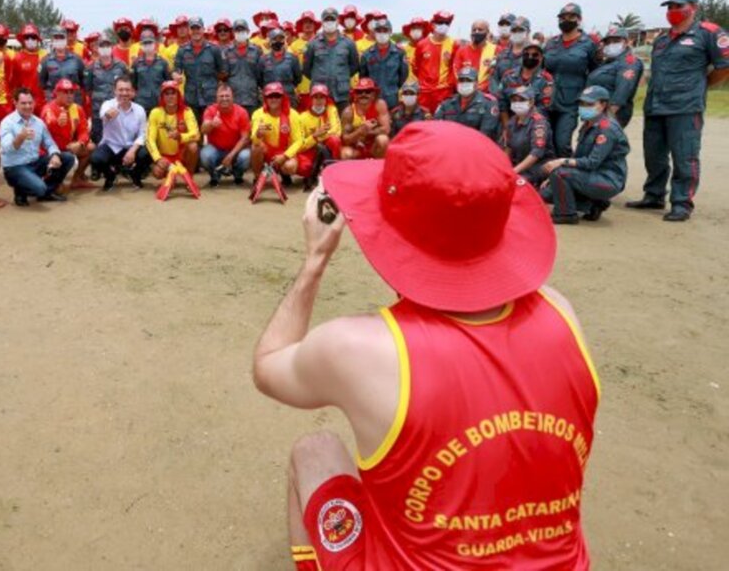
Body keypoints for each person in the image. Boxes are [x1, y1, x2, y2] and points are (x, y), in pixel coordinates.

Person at [254, 119, 598, 570]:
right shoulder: (561, 312)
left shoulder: (360, 348)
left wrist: (315, 261)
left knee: (315, 450)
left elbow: (269, 366)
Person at [627, 0, 729, 221]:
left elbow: (724, 67)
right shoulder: (662, 40)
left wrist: (702, 86)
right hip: (655, 105)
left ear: (693, 7)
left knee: (685, 156)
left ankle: (682, 202)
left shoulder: (708, 33)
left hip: (685, 107)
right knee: (654, 155)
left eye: (678, 6)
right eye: (670, 7)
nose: (673, 11)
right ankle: (653, 195)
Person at [541, 86, 629, 224]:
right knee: (546, 193)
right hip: (590, 175)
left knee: (561, 174)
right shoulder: (588, 124)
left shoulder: (607, 129)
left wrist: (561, 163)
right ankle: (593, 204)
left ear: (603, 105)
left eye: (589, 104)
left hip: (607, 180)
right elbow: (578, 156)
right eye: (582, 103)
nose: (583, 107)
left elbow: (592, 162)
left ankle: (566, 214)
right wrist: (554, 174)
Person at [0, 87, 74, 206]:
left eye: (30, 102)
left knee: (68, 158)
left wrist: (54, 155)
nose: (28, 106)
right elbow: (7, 148)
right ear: (15, 103)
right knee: (39, 188)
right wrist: (20, 137)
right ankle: (20, 191)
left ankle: (46, 192)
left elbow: (49, 143)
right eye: (23, 103)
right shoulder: (7, 122)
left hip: (35, 162)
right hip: (15, 167)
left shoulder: (38, 122)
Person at [544, 3, 600, 158]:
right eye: (562, 17)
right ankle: (547, 178)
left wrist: (590, 100)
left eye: (571, 17)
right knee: (546, 142)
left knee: (562, 143)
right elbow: (541, 69)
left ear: (579, 19)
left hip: (571, 102)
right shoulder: (550, 43)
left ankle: (568, 175)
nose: (565, 20)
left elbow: (596, 73)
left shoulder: (589, 44)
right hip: (547, 101)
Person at [90, 77, 152, 191]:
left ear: (133, 92)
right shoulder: (107, 104)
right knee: (96, 159)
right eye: (121, 90)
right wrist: (111, 112)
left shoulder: (139, 110)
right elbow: (104, 115)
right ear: (115, 91)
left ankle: (135, 175)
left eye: (127, 90)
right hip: (111, 146)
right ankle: (110, 176)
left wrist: (132, 151)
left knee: (147, 153)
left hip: (130, 147)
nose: (124, 93)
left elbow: (142, 134)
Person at [585, 26, 644, 128]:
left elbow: (622, 92)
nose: (611, 44)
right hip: (596, 112)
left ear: (625, 42)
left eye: (616, 41)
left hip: (612, 114)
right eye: (608, 42)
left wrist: (607, 118)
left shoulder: (629, 62)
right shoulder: (608, 62)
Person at [303, 8, 360, 113]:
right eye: (326, 20)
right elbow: (306, 69)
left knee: (344, 123)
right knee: (321, 125)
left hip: (341, 94)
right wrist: (318, 78)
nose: (329, 22)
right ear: (322, 23)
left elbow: (354, 66)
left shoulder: (348, 43)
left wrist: (342, 76)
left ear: (338, 21)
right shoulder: (313, 44)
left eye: (332, 19)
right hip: (319, 94)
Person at [42, 78, 95, 189]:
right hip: (51, 150)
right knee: (58, 190)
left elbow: (84, 131)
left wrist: (80, 143)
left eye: (72, 92)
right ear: (57, 93)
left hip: (68, 146)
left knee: (90, 147)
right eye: (65, 92)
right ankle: (53, 178)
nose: (70, 95)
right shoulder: (48, 109)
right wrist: (57, 123)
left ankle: (77, 179)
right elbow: (47, 128)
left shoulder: (77, 108)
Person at [286, 83, 340, 190]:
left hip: (327, 148)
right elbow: (300, 144)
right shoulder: (302, 117)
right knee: (304, 168)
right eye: (316, 97)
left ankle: (333, 173)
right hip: (310, 150)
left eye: (322, 97)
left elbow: (336, 132)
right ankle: (313, 175)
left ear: (326, 99)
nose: (319, 100)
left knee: (335, 140)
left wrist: (319, 137)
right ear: (311, 99)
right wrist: (315, 136)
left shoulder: (331, 110)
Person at [250, 82, 303, 190]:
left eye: (277, 96)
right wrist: (258, 134)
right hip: (267, 151)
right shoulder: (258, 114)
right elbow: (254, 141)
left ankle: (285, 174)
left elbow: (299, 141)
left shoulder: (293, 115)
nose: (273, 99)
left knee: (290, 167)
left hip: (284, 151)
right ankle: (257, 178)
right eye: (270, 96)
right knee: (256, 148)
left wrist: (285, 156)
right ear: (265, 98)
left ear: (282, 98)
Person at [174, 17, 226, 127]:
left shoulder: (214, 49)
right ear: (189, 30)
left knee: (212, 128)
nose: (195, 32)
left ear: (203, 29)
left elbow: (222, 71)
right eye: (193, 29)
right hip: (191, 97)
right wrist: (176, 75)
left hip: (210, 97)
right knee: (193, 129)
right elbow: (176, 69)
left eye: (198, 28)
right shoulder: (182, 50)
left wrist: (219, 85)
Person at [497, 39, 554, 135]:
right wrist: (508, 127)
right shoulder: (508, 76)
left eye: (535, 55)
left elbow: (543, 109)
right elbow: (502, 104)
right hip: (508, 122)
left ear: (541, 58)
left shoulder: (546, 80)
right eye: (526, 54)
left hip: (533, 125)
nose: (530, 57)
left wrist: (522, 126)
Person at [200, 83, 252, 187]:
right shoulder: (210, 110)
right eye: (221, 96)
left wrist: (230, 156)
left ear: (233, 97)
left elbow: (245, 138)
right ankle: (215, 175)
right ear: (216, 98)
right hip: (216, 149)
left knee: (247, 155)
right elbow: (203, 130)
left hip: (236, 150)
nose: (224, 99)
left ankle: (238, 174)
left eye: (227, 96)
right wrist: (211, 124)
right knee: (205, 155)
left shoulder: (241, 112)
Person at [146, 81, 200, 180]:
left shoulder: (187, 111)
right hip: (165, 156)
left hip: (182, 155)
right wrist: (158, 159)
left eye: (173, 93)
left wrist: (180, 136)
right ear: (162, 97)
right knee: (157, 173)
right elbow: (150, 139)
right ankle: (170, 174)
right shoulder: (155, 112)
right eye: (167, 94)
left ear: (178, 95)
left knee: (193, 146)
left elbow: (196, 134)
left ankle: (189, 176)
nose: (170, 96)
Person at [435, 65, 502, 143]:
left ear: (476, 83)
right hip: (450, 145)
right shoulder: (447, 103)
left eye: (468, 80)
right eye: (461, 80)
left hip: (476, 147)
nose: (464, 83)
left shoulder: (488, 103)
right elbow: (437, 127)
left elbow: (486, 133)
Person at [505, 85, 554, 187]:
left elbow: (535, 154)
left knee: (516, 183)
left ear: (531, 102)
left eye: (522, 100)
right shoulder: (512, 121)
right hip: (519, 163)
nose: (517, 103)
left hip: (538, 166)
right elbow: (508, 148)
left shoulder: (539, 123)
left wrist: (514, 171)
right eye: (514, 100)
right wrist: (504, 167)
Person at [84, 36, 130, 143]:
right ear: (97, 48)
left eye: (107, 46)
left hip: (117, 111)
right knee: (98, 140)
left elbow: (127, 85)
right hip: (97, 111)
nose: (105, 48)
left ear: (111, 47)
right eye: (102, 46)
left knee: (118, 140)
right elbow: (88, 88)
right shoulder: (91, 67)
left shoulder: (121, 66)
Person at [358, 17, 408, 110]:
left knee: (393, 123)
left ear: (390, 32)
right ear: (374, 32)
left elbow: (403, 75)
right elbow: (363, 76)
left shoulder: (399, 53)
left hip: (392, 98)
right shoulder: (367, 54)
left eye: (385, 30)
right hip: (373, 99)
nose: (382, 33)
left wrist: (393, 88)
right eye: (379, 30)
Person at [412, 10, 457, 113]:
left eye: (447, 23)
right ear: (433, 24)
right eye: (440, 22)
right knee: (424, 122)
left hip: (444, 92)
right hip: (424, 92)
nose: (443, 25)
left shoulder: (454, 44)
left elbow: (454, 68)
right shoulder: (421, 44)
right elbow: (416, 67)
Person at [340, 78, 390, 160]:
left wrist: (367, 131)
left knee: (383, 140)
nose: (364, 94)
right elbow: (345, 140)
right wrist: (360, 131)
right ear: (355, 95)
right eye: (359, 92)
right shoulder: (348, 112)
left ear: (374, 94)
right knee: (345, 154)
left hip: (373, 146)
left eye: (368, 91)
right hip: (356, 147)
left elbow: (386, 130)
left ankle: (381, 170)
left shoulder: (380, 105)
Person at [224, 19, 265, 115]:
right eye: (237, 30)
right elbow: (223, 75)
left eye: (242, 30)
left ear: (248, 31)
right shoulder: (226, 52)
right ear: (233, 32)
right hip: (233, 98)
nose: (240, 32)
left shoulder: (256, 51)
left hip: (252, 98)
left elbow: (261, 75)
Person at [39, 26, 87, 106]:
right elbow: (42, 83)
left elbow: (83, 81)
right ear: (52, 40)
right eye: (56, 38)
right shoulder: (45, 61)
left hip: (73, 102)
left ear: (66, 39)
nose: (59, 40)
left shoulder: (76, 59)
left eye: (61, 38)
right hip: (54, 103)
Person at [260, 27, 303, 108]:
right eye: (275, 39)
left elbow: (298, 78)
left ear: (284, 40)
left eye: (281, 38)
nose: (278, 41)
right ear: (270, 41)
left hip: (289, 97)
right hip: (270, 98)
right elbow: (260, 80)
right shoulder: (263, 59)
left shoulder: (293, 58)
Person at [131, 30, 171, 114]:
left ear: (155, 44)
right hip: (141, 105)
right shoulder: (136, 63)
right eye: (145, 43)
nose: (147, 45)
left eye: (150, 42)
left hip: (159, 104)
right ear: (141, 45)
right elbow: (133, 84)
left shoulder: (163, 63)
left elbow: (168, 83)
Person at [451, 19, 497, 93]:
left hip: (487, 95)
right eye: (474, 30)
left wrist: (480, 88)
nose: (476, 32)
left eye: (480, 29)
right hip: (465, 93)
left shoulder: (496, 49)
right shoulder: (462, 51)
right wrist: (464, 89)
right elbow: (455, 73)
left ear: (487, 32)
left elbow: (496, 75)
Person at [490, 16, 531, 96]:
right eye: (514, 30)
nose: (517, 33)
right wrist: (497, 97)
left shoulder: (534, 55)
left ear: (528, 32)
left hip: (525, 101)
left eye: (520, 30)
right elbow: (494, 80)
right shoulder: (501, 55)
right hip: (503, 101)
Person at [291, 11, 318, 110]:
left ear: (315, 25)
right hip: (300, 90)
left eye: (310, 22)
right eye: (305, 22)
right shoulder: (294, 45)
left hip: (318, 88)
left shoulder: (321, 42)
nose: (308, 25)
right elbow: (290, 68)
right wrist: (294, 88)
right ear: (301, 26)